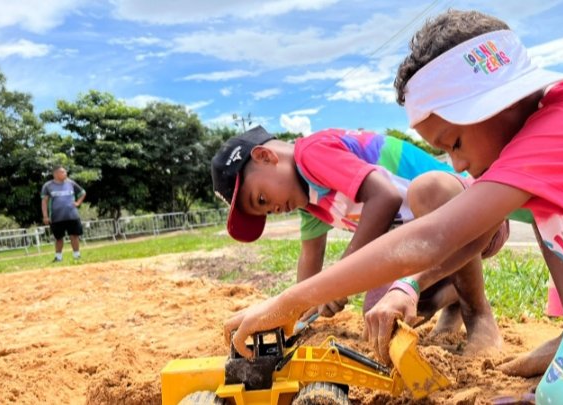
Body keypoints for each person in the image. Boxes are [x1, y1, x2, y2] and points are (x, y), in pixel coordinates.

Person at [224, 9, 563, 403]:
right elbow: (466, 238)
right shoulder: (545, 126)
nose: (456, 163)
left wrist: (288, 302)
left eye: (453, 142)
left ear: (494, 101)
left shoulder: (560, 130)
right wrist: (409, 286)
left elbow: (433, 237)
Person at [211, 126, 510, 355]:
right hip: (433, 252)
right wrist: (293, 317)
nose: (273, 210)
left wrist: (336, 286)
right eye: (265, 212)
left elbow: (385, 196)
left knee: (427, 190)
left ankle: (477, 313)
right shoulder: (309, 203)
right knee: (379, 309)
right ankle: (454, 295)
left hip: (478, 219)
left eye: (261, 199)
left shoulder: (312, 153)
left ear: (265, 157)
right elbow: (309, 271)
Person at [41, 165, 86, 262]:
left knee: (74, 235)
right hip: (56, 217)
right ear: (56, 174)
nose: (65, 174)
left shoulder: (71, 183)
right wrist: (45, 216)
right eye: (63, 172)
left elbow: (83, 192)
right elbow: (44, 201)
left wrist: (78, 203)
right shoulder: (48, 186)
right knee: (58, 238)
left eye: (65, 172)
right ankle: (58, 257)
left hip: (72, 215)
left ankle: (77, 256)